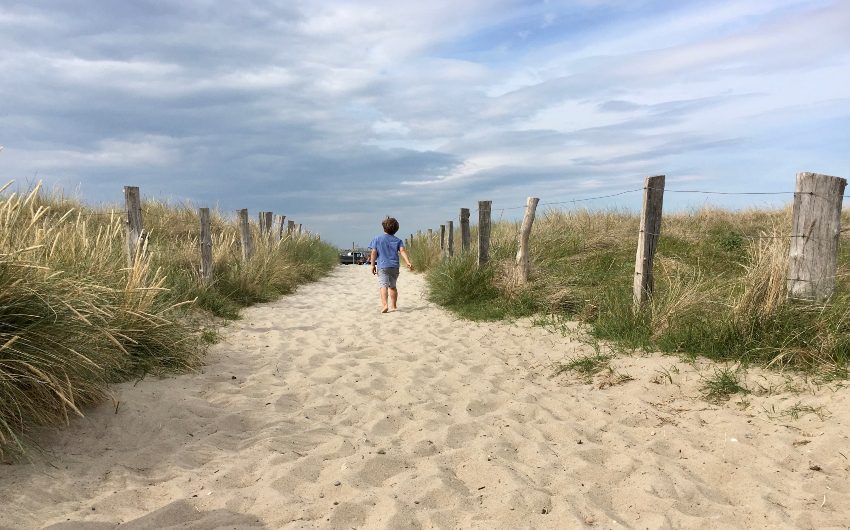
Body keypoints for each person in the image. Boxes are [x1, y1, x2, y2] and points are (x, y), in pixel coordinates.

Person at [369, 217, 414, 313]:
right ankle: (394, 305)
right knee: (393, 286)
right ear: (396, 229)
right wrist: (407, 262)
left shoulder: (377, 239)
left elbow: (373, 252)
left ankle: (385, 305)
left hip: (382, 266)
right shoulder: (398, 240)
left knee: (383, 286)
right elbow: (402, 251)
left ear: (383, 227)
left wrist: (372, 265)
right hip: (394, 267)